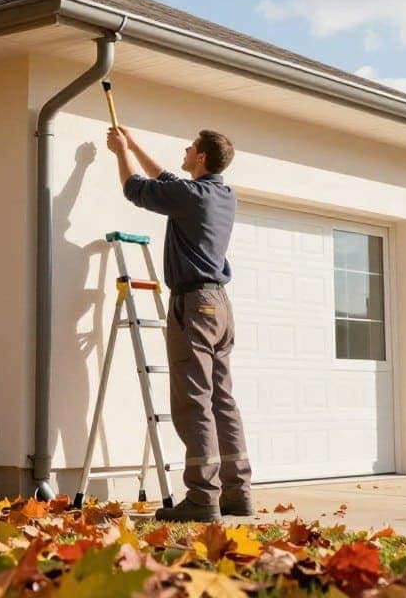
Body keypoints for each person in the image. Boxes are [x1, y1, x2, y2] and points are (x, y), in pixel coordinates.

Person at [106, 126, 253, 523]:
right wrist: (134, 144)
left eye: (190, 148)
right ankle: (237, 494)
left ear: (202, 157)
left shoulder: (191, 196)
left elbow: (135, 188)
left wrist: (120, 153)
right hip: (220, 307)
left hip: (194, 305)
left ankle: (203, 498)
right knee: (222, 399)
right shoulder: (221, 195)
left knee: (194, 401)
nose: (184, 151)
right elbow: (166, 179)